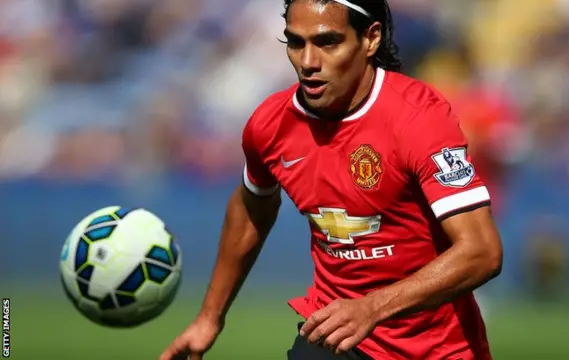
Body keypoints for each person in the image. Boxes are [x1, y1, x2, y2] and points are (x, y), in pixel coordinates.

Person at [159, 0, 503, 359]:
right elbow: (250, 209)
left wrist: (371, 307)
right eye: (296, 43)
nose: (308, 62)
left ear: (370, 39)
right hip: (336, 338)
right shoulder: (270, 125)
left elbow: (481, 252)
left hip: (438, 350)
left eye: (327, 43)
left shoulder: (419, 119)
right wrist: (209, 318)